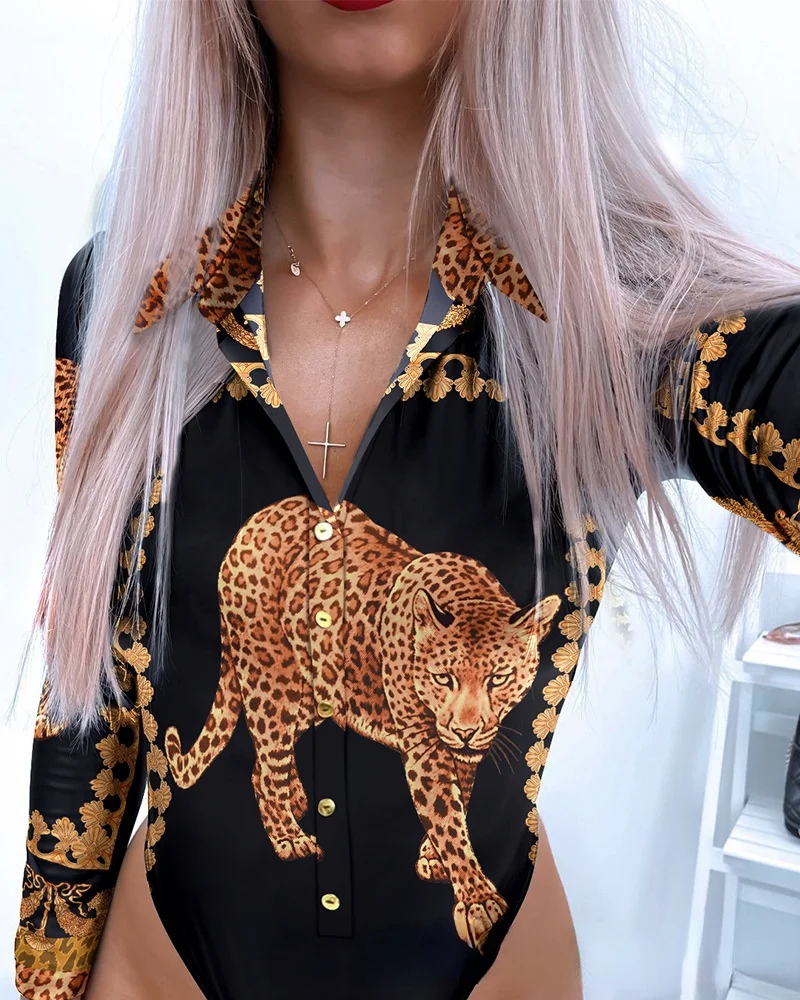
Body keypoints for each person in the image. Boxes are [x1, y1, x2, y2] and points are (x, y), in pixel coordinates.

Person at [14, 2, 800, 999]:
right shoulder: (117, 295)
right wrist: (46, 967)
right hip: (161, 962)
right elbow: (89, 671)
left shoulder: (620, 312)